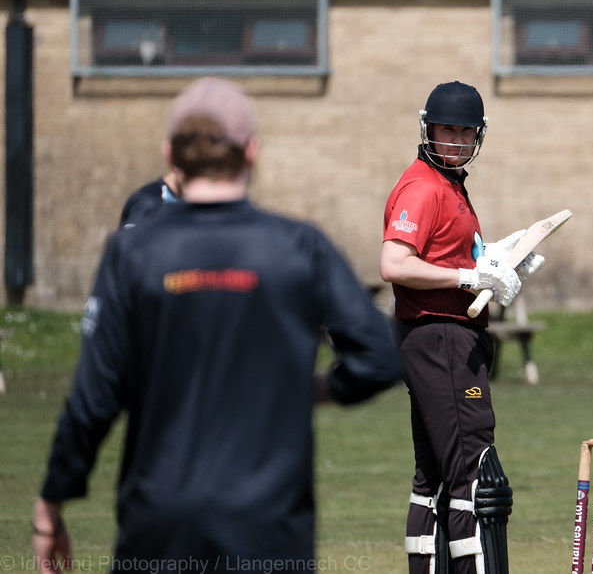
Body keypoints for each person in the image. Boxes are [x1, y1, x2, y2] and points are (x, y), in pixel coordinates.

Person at [32, 77, 401, 573]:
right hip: (270, 531)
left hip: (158, 529)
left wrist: (52, 502)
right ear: (252, 151)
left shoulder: (132, 252)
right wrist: (313, 388)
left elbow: (94, 397)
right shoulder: (299, 247)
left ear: (171, 153)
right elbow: (379, 358)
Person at [380, 81, 537, 574]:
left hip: (441, 337)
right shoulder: (424, 187)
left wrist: (500, 260)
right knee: (476, 474)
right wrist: (469, 276)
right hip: (440, 337)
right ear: (427, 128)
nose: (456, 141)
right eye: (447, 130)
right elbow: (395, 263)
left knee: (435, 478)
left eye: (466, 132)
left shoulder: (450, 186)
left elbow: (450, 254)